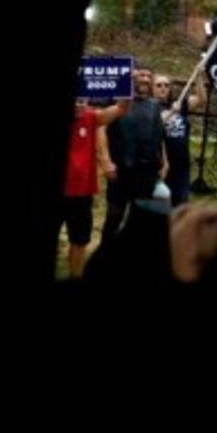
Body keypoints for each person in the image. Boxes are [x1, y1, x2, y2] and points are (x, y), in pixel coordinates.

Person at [54, 97, 128, 277]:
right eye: (74, 100)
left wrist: (126, 82)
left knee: (79, 240)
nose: (78, 104)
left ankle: (75, 275)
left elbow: (121, 108)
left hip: (81, 194)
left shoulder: (91, 117)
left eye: (81, 101)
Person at [100, 67, 168, 247]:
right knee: (114, 217)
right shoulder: (116, 101)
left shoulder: (154, 106)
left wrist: (163, 161)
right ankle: (105, 254)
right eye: (141, 75)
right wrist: (105, 161)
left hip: (146, 173)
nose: (145, 79)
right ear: (132, 78)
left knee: (140, 219)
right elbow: (101, 129)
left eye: (148, 75)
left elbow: (158, 136)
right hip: (120, 171)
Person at [153, 72, 203, 205]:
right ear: (152, 88)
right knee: (162, 202)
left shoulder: (179, 104)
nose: (163, 88)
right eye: (158, 85)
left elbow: (200, 99)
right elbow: (155, 125)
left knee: (181, 200)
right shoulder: (150, 107)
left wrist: (198, 76)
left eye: (166, 85)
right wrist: (172, 112)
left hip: (182, 162)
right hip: (162, 163)